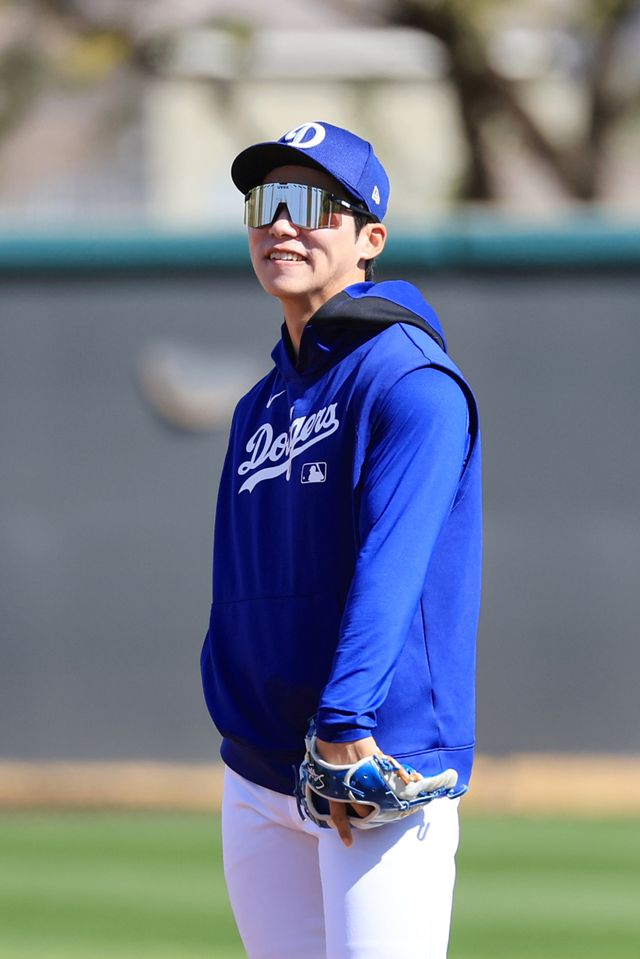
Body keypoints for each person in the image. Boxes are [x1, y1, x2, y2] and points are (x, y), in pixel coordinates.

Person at [200, 120, 482, 959]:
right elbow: (241, 580)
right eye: (267, 202)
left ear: (370, 239)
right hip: (259, 764)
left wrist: (343, 719)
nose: (283, 223)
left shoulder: (412, 381)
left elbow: (391, 567)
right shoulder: (259, 405)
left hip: (368, 757)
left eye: (313, 203)